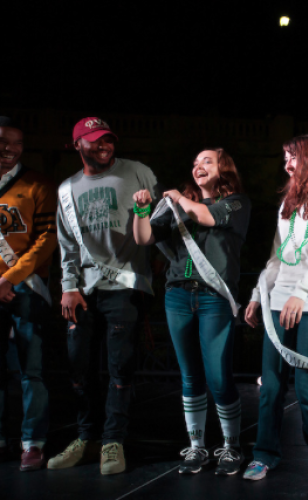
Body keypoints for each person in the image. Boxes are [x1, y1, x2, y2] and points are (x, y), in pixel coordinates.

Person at [48, 117, 160, 475]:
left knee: (120, 369)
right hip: (82, 291)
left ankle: (113, 441)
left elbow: (163, 222)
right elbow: (66, 245)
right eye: (94, 141)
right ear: (77, 145)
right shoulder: (67, 189)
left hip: (125, 286)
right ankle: (86, 437)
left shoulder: (138, 172)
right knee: (79, 367)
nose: (103, 145)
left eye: (108, 140)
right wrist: (68, 286)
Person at [132, 148, 251, 475]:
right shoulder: (181, 205)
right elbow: (143, 237)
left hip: (214, 298)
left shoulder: (237, 203)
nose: (198, 166)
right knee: (189, 375)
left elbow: (207, 217)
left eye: (206, 162)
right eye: (195, 162)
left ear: (223, 168)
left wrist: (179, 198)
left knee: (218, 375)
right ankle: (197, 446)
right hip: (178, 297)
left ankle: (231, 446)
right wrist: (141, 210)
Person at [243, 135, 308, 485]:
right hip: (280, 300)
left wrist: (301, 293)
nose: (287, 164)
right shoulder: (287, 203)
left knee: (307, 386)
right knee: (271, 386)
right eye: (285, 158)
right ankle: (264, 455)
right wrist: (260, 293)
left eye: (293, 157)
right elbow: (277, 257)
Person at [0, 116, 57, 471]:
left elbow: (46, 239)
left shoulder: (38, 185)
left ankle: (32, 443)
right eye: (3, 141)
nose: (9, 149)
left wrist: (10, 277)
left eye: (17, 143)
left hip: (25, 287)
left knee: (30, 369)